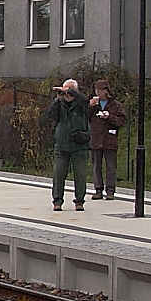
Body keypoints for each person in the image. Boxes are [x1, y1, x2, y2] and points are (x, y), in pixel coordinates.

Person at [46, 78, 91, 211]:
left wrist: (71, 91)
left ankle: (79, 201)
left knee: (80, 175)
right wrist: (57, 99)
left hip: (79, 145)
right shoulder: (60, 104)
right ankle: (57, 201)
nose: (67, 94)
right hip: (62, 145)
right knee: (58, 174)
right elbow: (50, 115)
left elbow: (85, 100)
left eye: (69, 91)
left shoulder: (81, 104)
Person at [88, 78, 127, 200]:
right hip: (96, 138)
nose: (97, 92)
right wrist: (90, 106)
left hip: (110, 139)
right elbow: (85, 117)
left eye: (100, 89)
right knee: (96, 166)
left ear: (106, 91)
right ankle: (98, 189)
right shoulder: (94, 105)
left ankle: (110, 190)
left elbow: (121, 121)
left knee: (111, 167)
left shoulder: (116, 105)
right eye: (96, 89)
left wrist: (109, 117)